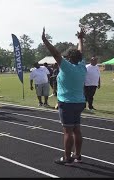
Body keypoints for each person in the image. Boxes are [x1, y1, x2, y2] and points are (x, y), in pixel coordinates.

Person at [43, 27, 86, 165]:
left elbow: (55, 53)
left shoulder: (67, 67)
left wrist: (45, 40)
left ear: (68, 58)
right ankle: (78, 155)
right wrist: (80, 38)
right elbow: (81, 51)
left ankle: (67, 158)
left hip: (67, 103)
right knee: (77, 129)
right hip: (79, 103)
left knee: (68, 132)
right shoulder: (82, 65)